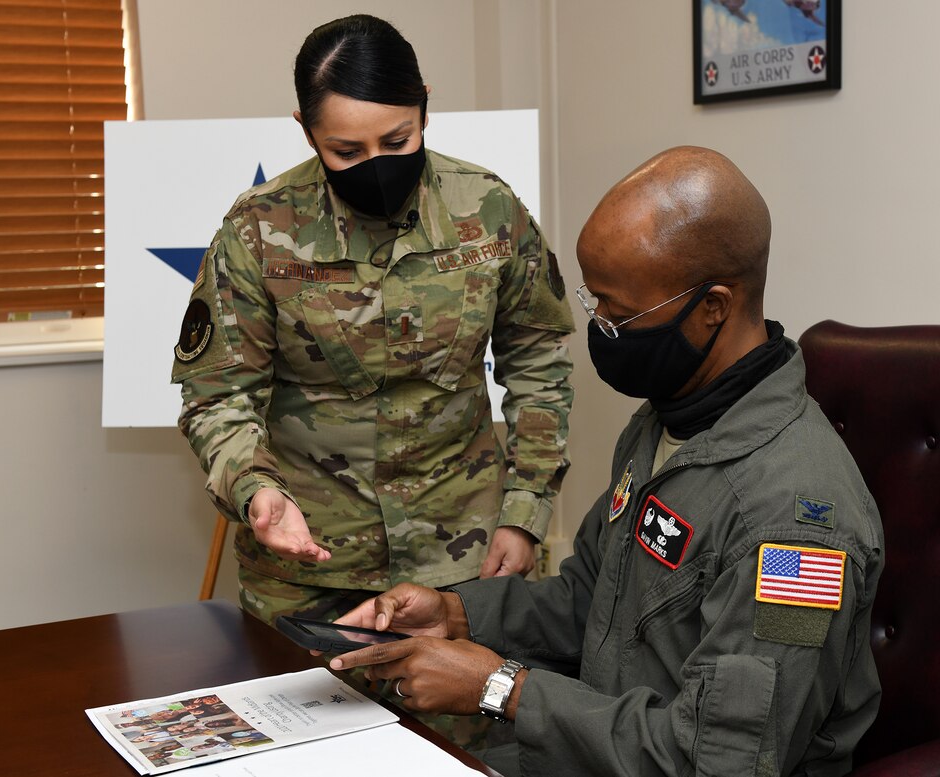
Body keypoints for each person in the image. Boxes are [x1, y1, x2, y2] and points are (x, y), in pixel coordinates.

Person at [327, 146, 884, 776]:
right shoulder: (669, 420)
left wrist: (502, 689)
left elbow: (719, 761)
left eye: (619, 314)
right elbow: (594, 598)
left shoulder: (794, 529)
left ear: (714, 307)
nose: (601, 328)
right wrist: (456, 615)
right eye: (596, 305)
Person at [171, 13, 575, 626]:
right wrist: (257, 490)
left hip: (466, 555)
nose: (376, 164)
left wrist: (526, 512)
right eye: (347, 151)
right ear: (307, 132)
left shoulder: (488, 208)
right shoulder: (260, 228)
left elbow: (540, 368)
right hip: (307, 563)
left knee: (468, 694)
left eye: (396, 140)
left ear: (424, 110)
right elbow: (218, 395)